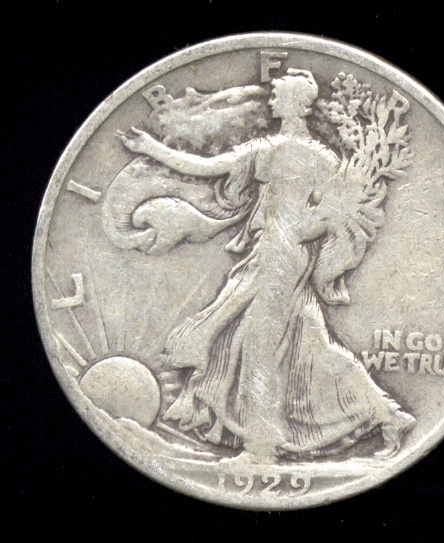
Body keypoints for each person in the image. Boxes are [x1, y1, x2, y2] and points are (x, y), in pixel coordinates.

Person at [118, 68, 415, 462]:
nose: (271, 100)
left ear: (294, 104)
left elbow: (208, 167)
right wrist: (304, 231)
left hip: (279, 257)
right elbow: (331, 211)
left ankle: (261, 447)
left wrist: (153, 150)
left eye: (278, 95)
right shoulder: (323, 158)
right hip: (285, 255)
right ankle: (387, 414)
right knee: (308, 341)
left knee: (260, 346)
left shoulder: (275, 151)